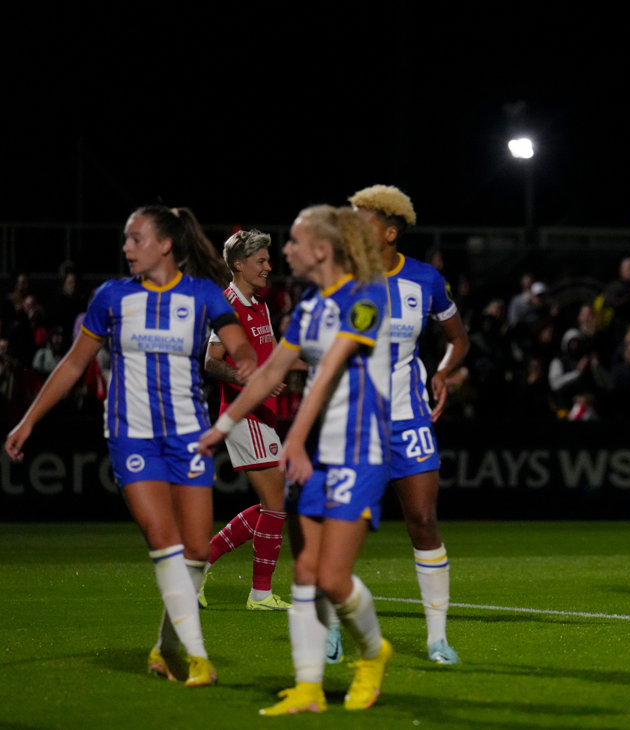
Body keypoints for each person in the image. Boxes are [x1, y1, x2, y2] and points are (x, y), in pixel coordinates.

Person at [5, 205, 257, 686]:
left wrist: (245, 360)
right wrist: (28, 420)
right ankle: (196, 655)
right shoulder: (111, 297)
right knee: (164, 541)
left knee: (197, 551)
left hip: (189, 436)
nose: (125, 247)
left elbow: (237, 344)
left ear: (165, 244)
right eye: (125, 238)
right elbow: (74, 365)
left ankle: (165, 648)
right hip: (131, 436)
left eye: (135, 238)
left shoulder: (202, 293)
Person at [198, 205, 393, 714]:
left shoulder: (367, 298)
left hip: (357, 448)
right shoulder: (307, 308)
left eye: (295, 242)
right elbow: (267, 373)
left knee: (330, 576)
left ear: (323, 250)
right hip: (316, 447)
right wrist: (221, 426)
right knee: (306, 570)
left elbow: (328, 371)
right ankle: (309, 688)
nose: (284, 252)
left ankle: (373, 653)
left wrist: (297, 438)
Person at [350, 185, 470, 664]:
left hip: (409, 417)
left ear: (390, 230)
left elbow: (458, 339)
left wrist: (442, 371)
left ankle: (437, 639)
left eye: (360, 218)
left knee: (422, 521)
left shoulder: (425, 280)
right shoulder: (341, 277)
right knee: (345, 527)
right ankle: (338, 624)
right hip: (355, 421)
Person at [199, 229, 305, 611]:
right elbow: (211, 361)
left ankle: (197, 565)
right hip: (244, 414)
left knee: (270, 504)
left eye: (268, 259)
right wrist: (255, 380)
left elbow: (276, 356)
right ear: (239, 265)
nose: (268, 266)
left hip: (263, 416)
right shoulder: (226, 305)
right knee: (276, 503)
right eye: (260, 260)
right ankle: (259, 594)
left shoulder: (259, 305)